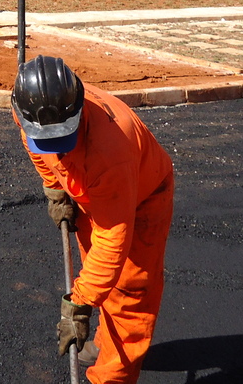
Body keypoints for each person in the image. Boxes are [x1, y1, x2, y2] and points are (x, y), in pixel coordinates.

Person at [11, 55, 174, 384]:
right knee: (95, 270)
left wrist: (79, 304)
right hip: (89, 191)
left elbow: (111, 243)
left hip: (140, 199)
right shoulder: (27, 107)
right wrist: (55, 188)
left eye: (62, 138)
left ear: (78, 109)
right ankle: (104, 342)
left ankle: (113, 376)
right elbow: (36, 148)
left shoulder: (110, 154)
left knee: (128, 293)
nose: (56, 148)